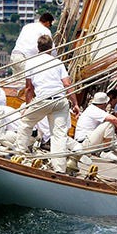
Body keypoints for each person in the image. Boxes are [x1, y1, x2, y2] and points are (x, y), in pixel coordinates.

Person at [16, 35, 80, 173]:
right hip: (60, 101)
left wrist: (27, 106)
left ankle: (19, 154)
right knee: (59, 135)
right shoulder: (58, 62)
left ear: (38, 48)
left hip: (43, 99)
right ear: (51, 48)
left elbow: (29, 88)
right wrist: (75, 104)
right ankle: (59, 168)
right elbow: (67, 84)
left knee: (25, 123)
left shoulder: (31, 63)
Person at [74, 91, 117, 160]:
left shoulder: (92, 108)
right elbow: (114, 119)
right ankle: (105, 150)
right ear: (104, 104)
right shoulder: (94, 110)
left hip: (89, 142)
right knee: (109, 123)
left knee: (111, 134)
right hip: (84, 143)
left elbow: (111, 135)